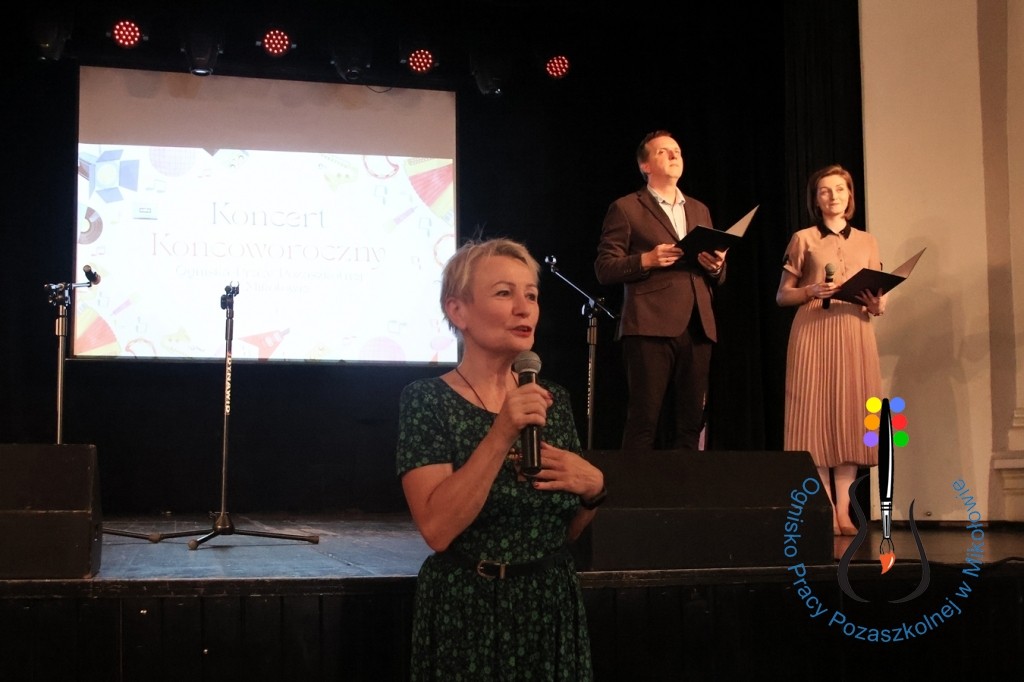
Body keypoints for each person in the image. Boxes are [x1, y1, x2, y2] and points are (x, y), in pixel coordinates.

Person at [396, 237, 606, 680]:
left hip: (550, 606)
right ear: (458, 312)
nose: (524, 308)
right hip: (468, 610)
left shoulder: (553, 400)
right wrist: (500, 433)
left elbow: (562, 530)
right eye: (504, 293)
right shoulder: (427, 401)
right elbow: (437, 529)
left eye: (531, 295)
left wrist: (593, 492)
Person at [594, 130, 727, 451]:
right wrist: (646, 260)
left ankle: (685, 483)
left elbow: (718, 274)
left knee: (691, 422)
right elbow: (604, 267)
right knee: (644, 420)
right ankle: (634, 484)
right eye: (663, 152)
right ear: (645, 166)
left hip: (698, 325)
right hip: (648, 324)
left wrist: (716, 267)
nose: (674, 155)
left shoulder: (699, 209)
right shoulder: (626, 207)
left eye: (677, 151)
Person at [776, 164, 886, 536]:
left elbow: (879, 297)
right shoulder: (803, 238)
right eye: (825, 190)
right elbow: (782, 295)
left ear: (850, 195)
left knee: (851, 417)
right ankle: (824, 509)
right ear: (816, 199)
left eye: (840, 189)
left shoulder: (868, 241)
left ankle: (844, 510)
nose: (833, 196)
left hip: (854, 331)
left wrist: (876, 303)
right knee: (815, 417)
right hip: (814, 330)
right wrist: (809, 290)